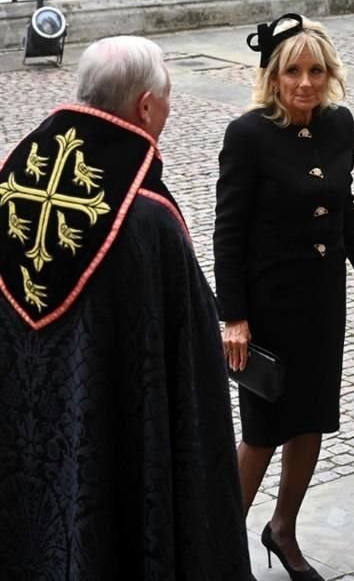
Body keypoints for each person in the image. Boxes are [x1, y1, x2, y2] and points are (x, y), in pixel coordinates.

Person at [0, 36, 252, 578]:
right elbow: (192, 374)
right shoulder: (147, 220)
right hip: (115, 450)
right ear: (145, 107)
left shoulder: (11, 184)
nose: (169, 106)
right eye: (167, 95)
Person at [215, 13, 354, 581]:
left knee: (312, 421)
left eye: (316, 71)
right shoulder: (247, 134)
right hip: (268, 307)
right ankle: (218, 545)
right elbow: (227, 233)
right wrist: (235, 319)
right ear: (273, 76)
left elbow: (344, 206)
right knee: (262, 431)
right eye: (292, 71)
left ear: (330, 74)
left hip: (322, 301)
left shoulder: (338, 124)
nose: (305, 82)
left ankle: (283, 530)